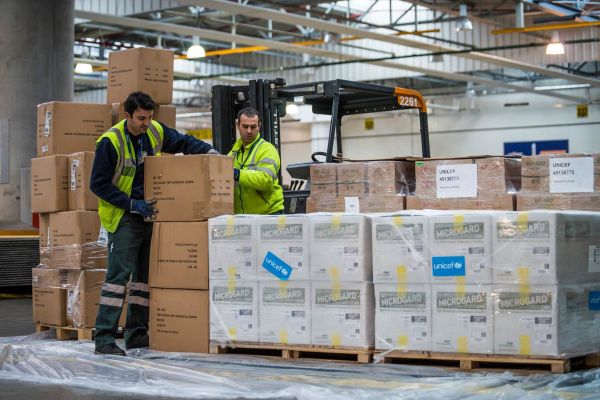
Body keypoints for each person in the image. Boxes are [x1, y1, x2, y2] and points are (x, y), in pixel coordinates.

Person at [91, 91, 217, 356]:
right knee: (117, 279)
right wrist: (131, 204)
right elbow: (98, 184)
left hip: (149, 214)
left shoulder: (154, 131)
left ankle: (136, 335)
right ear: (127, 116)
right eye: (141, 118)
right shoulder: (110, 142)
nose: (146, 123)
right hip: (124, 217)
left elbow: (183, 141)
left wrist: (209, 151)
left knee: (142, 281)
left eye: (149, 117)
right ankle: (104, 339)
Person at [228, 107, 284, 215]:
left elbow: (265, 181)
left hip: (269, 214)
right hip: (243, 217)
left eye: (253, 127)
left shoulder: (267, 150)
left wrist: (237, 174)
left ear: (259, 126)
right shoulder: (233, 154)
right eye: (245, 126)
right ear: (238, 126)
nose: (249, 131)